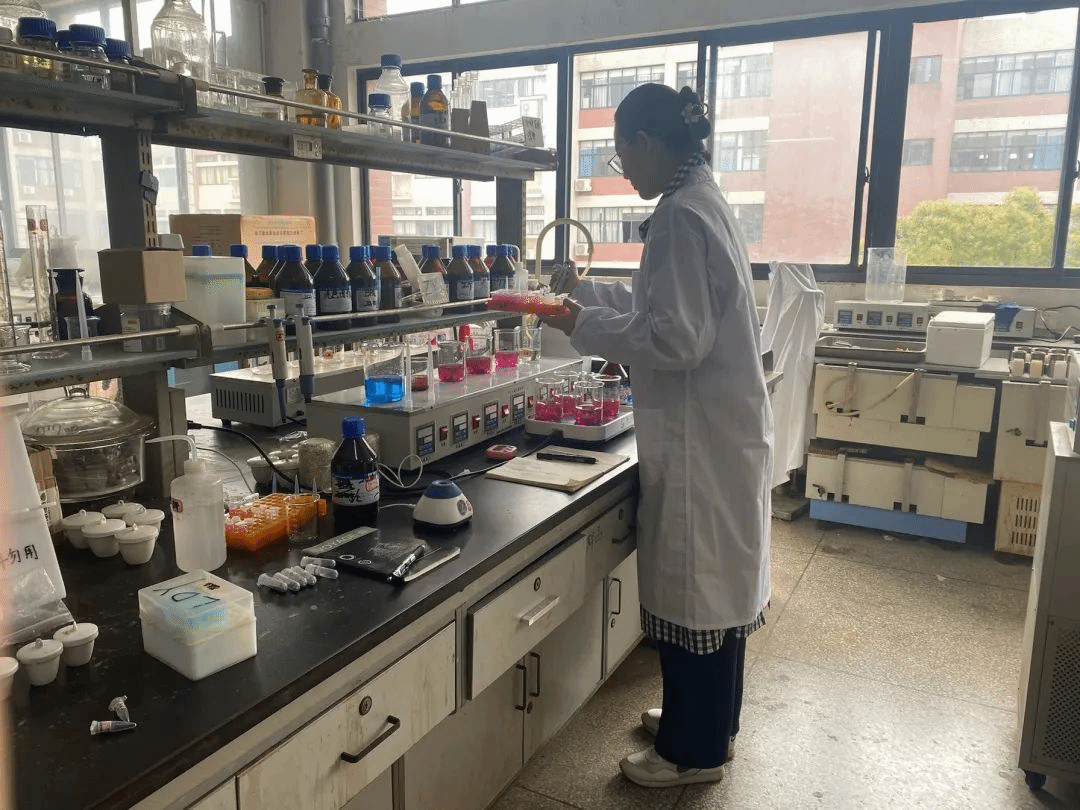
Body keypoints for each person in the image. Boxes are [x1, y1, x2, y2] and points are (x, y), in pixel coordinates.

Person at [542, 83, 773, 788]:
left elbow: (675, 338)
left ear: (646, 143)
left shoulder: (677, 215)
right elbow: (658, 301)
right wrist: (582, 297)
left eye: (622, 157)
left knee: (695, 596)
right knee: (717, 601)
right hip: (719, 433)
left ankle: (691, 754)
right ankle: (707, 726)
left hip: (702, 442)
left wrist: (578, 324)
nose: (624, 172)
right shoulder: (702, 199)